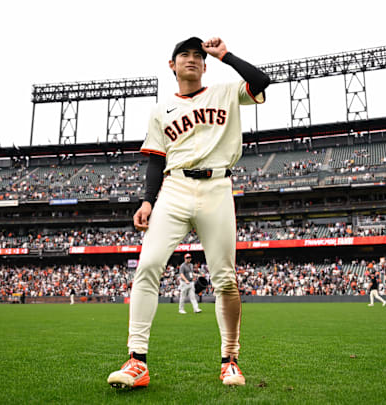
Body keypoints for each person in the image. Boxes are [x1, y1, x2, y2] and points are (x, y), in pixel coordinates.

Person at [107, 36, 270, 389]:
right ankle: (137, 361)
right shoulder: (160, 109)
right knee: (148, 265)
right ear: (173, 65)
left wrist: (225, 55)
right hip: (175, 187)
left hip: (217, 185)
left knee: (225, 278)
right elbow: (155, 159)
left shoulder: (226, 92)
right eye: (185, 54)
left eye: (198, 55)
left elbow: (260, 81)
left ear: (205, 64)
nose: (192, 59)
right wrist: (148, 200)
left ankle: (230, 361)